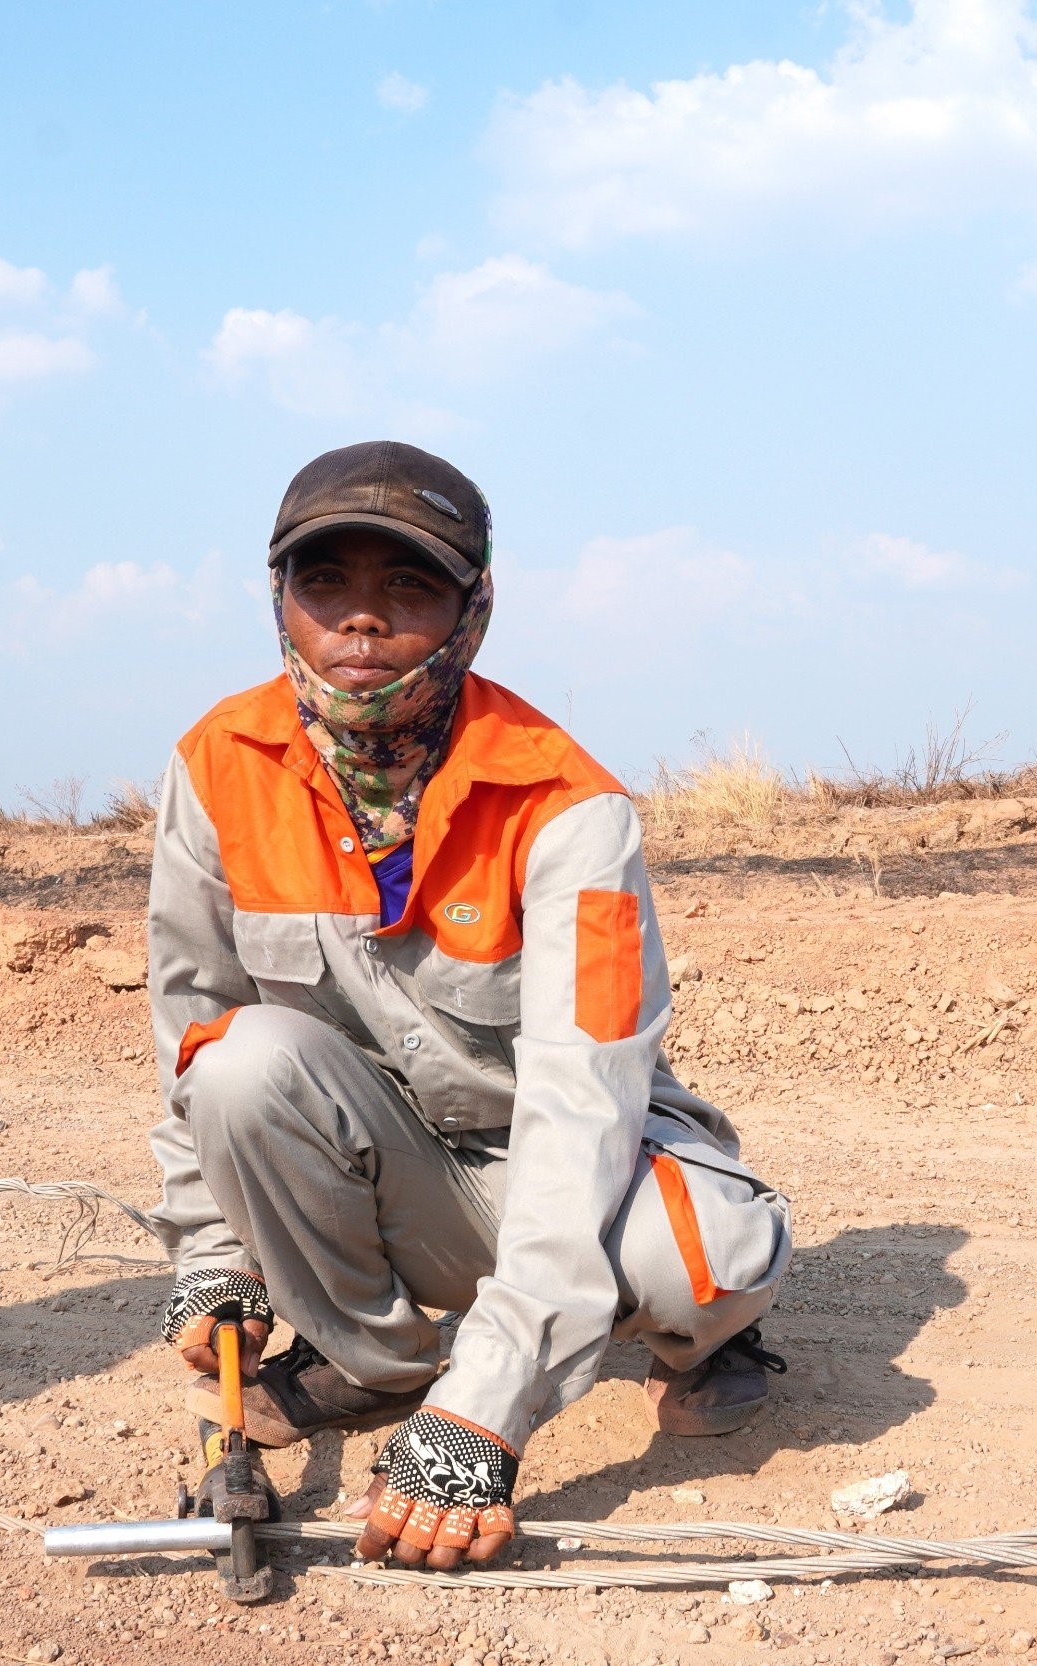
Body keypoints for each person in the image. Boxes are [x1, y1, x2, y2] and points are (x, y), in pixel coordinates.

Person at [144, 440, 793, 1571]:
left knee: (706, 1257)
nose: (360, 620)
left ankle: (687, 1348)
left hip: (563, 1169)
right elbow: (191, 1021)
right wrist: (215, 1258)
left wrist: (484, 1409)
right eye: (326, 582)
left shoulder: (567, 803)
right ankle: (373, 1361)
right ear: (280, 599)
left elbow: (582, 1102)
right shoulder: (217, 764)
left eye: (407, 584)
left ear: (472, 605)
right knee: (241, 1063)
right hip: (396, 1173)